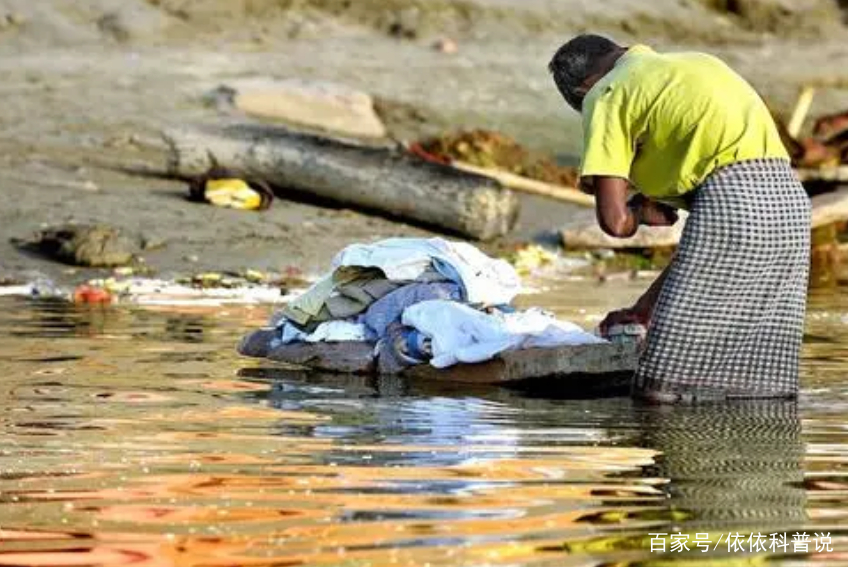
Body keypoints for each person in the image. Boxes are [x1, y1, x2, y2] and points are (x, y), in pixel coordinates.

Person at [548, 34, 811, 403]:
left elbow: (615, 222)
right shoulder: (701, 64)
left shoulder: (606, 93)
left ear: (583, 89)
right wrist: (643, 309)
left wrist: (639, 213)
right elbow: (706, 250)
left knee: (661, 389)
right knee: (762, 388)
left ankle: (665, 440)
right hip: (793, 209)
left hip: (735, 208)